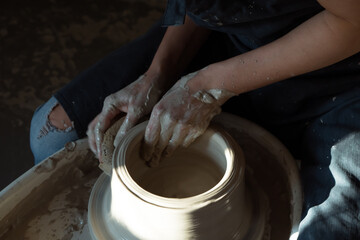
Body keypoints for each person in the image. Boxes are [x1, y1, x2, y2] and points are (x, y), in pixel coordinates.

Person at [30, 0, 360, 239]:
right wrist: (156, 77)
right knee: (51, 137)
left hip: (345, 77)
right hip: (236, 35)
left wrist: (207, 87)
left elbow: (354, 20)